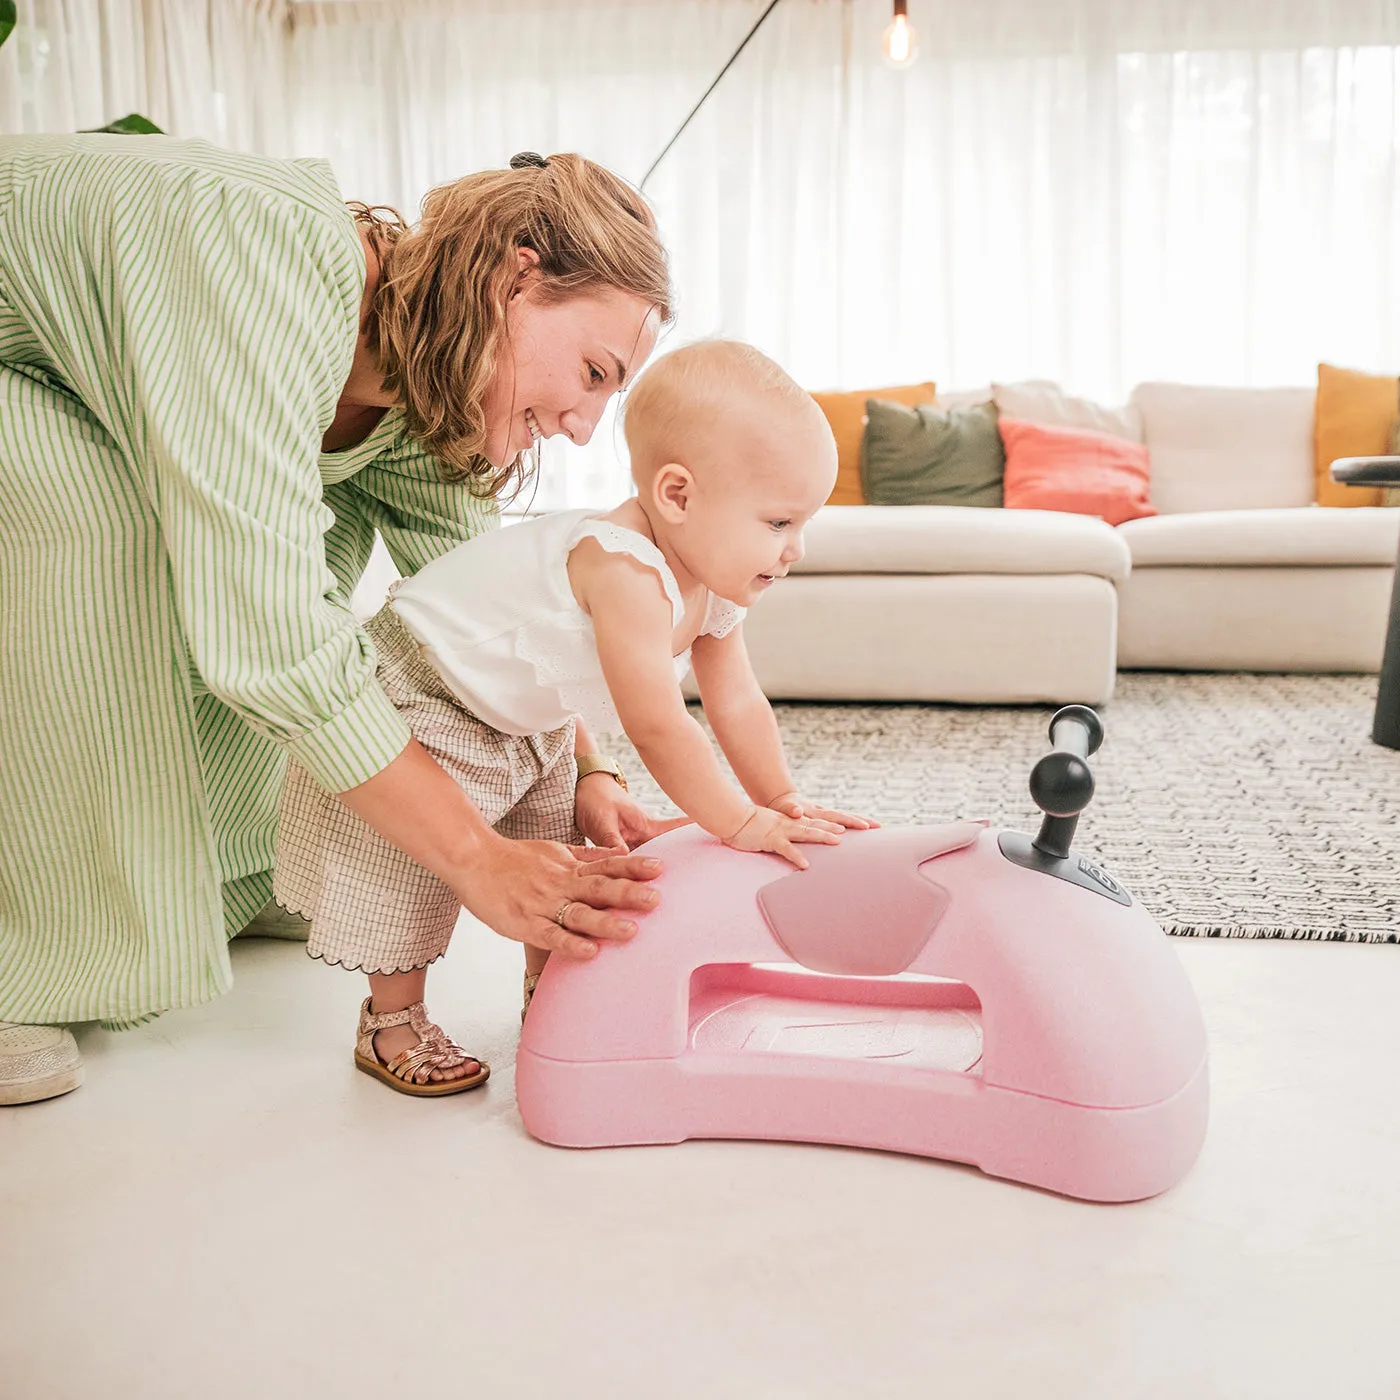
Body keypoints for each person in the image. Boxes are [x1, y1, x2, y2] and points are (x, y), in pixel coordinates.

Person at [0, 138, 675, 1106]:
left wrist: (592, 772)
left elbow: (492, 600)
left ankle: (233, 868)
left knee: (308, 542)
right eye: (593, 371)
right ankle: (18, 960)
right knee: (105, 523)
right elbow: (272, 642)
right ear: (512, 281)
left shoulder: (418, 386)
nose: (582, 425)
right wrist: (475, 857)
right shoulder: (265, 262)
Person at [275, 339, 878, 1095]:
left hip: (527, 718)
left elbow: (736, 701)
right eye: (780, 522)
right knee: (407, 873)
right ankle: (392, 1021)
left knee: (553, 846)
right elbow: (660, 725)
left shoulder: (713, 580)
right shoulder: (624, 568)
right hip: (425, 692)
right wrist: (740, 823)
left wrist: (779, 798)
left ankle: (549, 992)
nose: (795, 551)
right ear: (679, 496)